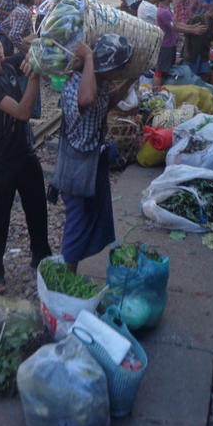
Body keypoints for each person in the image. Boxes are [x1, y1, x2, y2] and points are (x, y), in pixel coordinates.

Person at [0, 26, 52, 294]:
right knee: (0, 215)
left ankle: (41, 255)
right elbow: (22, 112)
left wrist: (39, 36)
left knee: (37, 207)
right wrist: (35, 78)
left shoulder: (9, 65)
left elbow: (32, 47)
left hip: (25, 151)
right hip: (3, 159)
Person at [51, 35, 135, 273]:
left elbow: (105, 103)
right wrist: (88, 57)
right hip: (76, 166)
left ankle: (72, 268)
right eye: (118, 69)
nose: (120, 72)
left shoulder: (100, 83)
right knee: (77, 222)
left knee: (93, 216)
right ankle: (67, 275)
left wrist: (130, 81)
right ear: (107, 66)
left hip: (94, 162)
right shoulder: (75, 82)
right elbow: (86, 99)